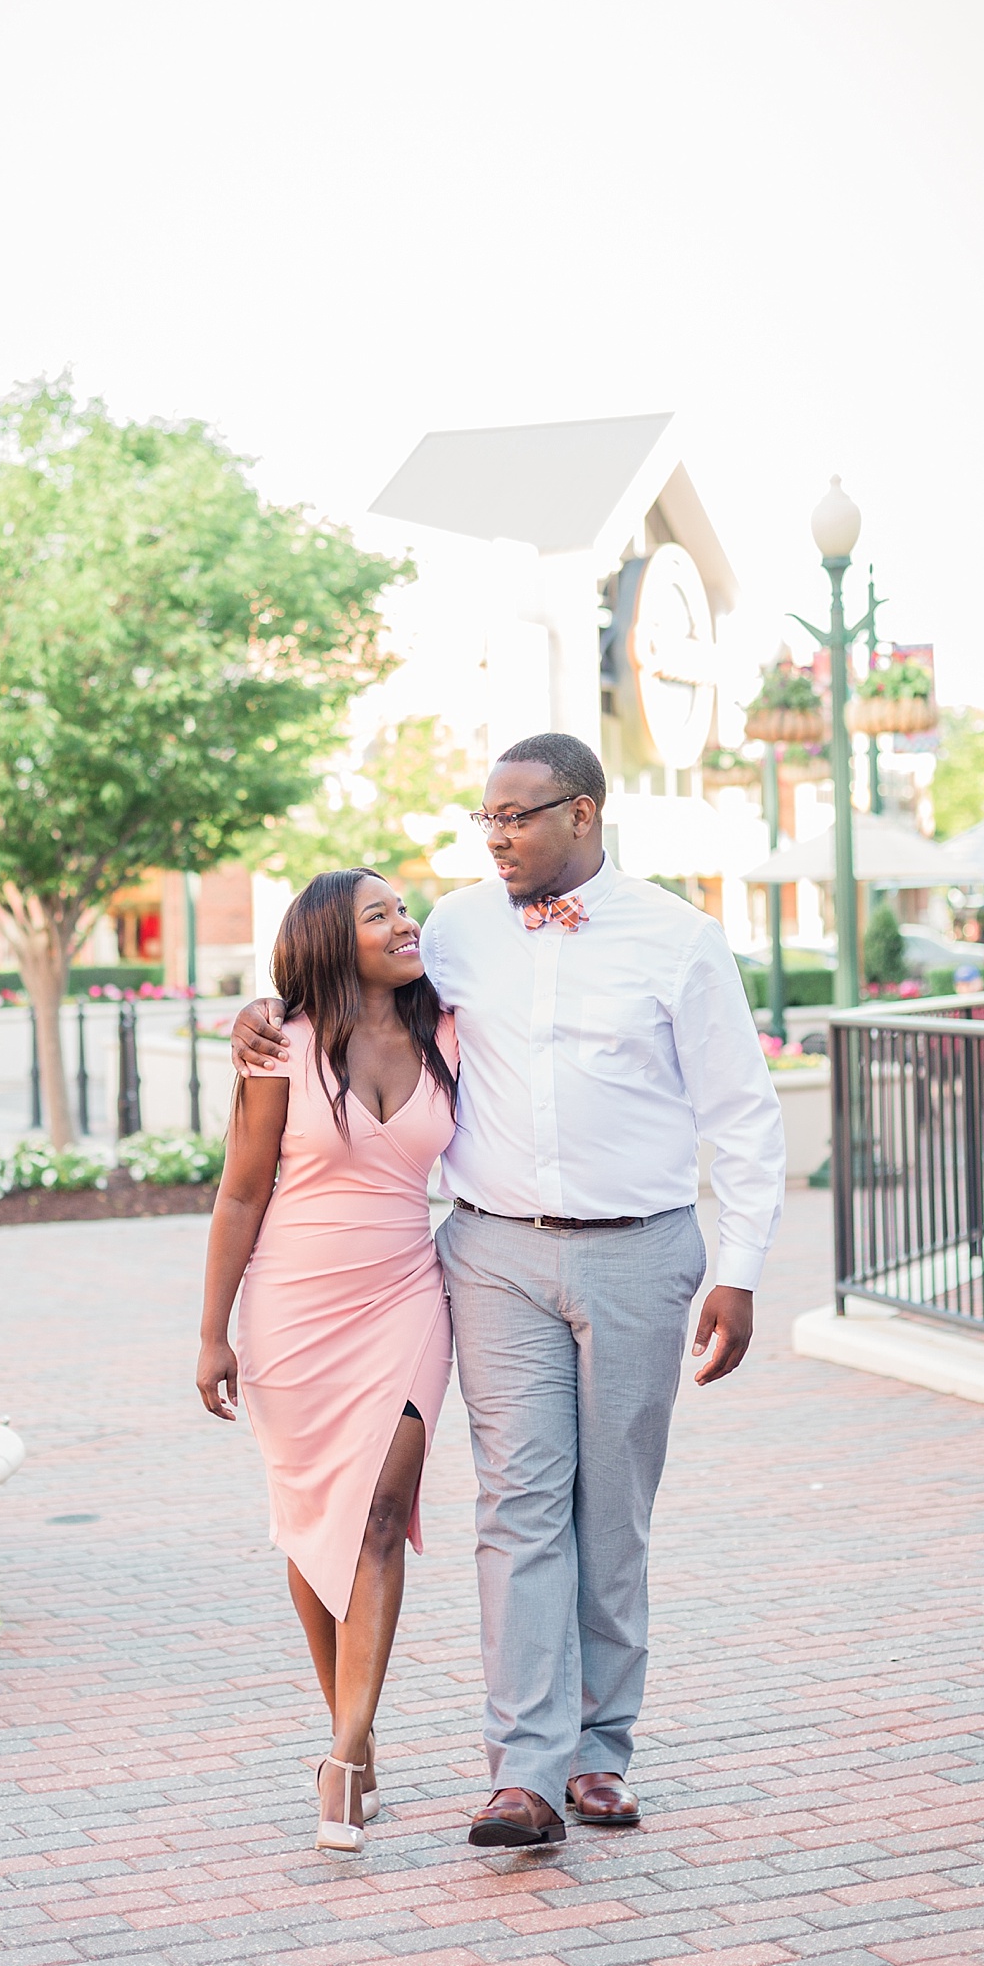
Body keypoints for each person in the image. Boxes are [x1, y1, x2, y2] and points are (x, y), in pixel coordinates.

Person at [235, 732, 786, 1849]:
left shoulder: (680, 939)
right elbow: (347, 972)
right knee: (517, 1504)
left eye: (516, 816)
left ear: (581, 814)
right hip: (489, 1254)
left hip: (642, 1249)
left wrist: (737, 1269)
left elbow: (740, 1111)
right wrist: (264, 1008)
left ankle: (599, 1750)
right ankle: (522, 1771)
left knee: (610, 1510)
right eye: (483, 817)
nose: (494, 836)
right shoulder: (452, 923)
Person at [195, 868, 459, 1855]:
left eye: (404, 908)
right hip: (293, 1314)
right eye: (379, 914)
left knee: (380, 1516)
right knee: (317, 1527)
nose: (405, 923)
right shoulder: (280, 1050)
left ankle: (344, 1756)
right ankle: (356, 1731)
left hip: (404, 1300)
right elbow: (236, 1195)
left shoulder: (450, 1033)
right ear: (326, 941)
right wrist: (211, 1329)